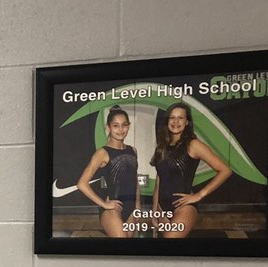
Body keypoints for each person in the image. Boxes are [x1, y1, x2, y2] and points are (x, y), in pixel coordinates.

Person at [151, 101, 232, 239]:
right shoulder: (162, 145)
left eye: (180, 118)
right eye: (172, 117)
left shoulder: (193, 144)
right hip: (162, 209)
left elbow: (225, 170)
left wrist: (199, 195)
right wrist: (155, 211)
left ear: (187, 122)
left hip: (184, 208)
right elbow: (160, 179)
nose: (176, 122)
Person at [74, 105, 141, 238]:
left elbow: (135, 180)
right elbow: (82, 184)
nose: (121, 129)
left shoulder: (132, 150)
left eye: (124, 125)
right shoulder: (102, 153)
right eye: (116, 125)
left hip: (131, 208)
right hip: (112, 209)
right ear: (108, 127)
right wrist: (104, 204)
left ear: (129, 126)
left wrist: (138, 205)